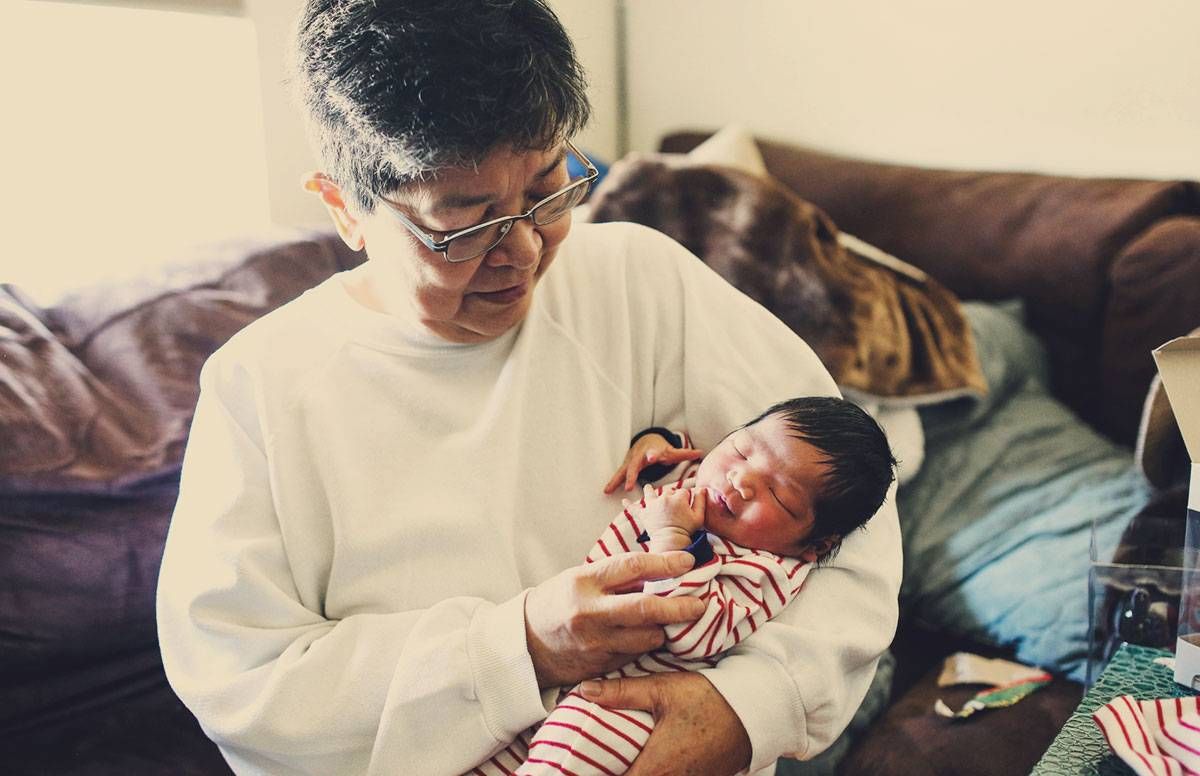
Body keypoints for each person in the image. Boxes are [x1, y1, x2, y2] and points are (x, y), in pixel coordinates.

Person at [154, 2, 902, 774]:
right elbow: (241, 683)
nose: (522, 251)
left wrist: (750, 705)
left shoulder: (642, 281)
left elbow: (854, 521)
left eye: (547, 192)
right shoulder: (261, 388)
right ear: (345, 208)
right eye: (464, 226)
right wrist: (520, 648)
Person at [475, 396, 897, 775]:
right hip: (567, 676)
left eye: (779, 494)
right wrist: (654, 444)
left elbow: (695, 634)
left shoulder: (764, 570)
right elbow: (680, 452)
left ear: (814, 545)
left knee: (572, 739)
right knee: (490, 748)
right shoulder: (701, 480)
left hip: (631, 709)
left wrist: (673, 541)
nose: (741, 480)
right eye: (743, 449)